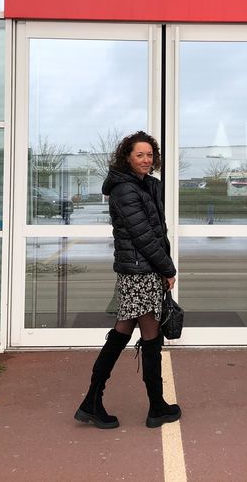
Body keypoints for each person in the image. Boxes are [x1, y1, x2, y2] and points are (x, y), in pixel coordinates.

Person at [74, 131, 181, 429]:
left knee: (125, 331)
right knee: (149, 335)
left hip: (141, 270)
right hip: (140, 272)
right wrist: (167, 268)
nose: (146, 160)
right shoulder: (125, 190)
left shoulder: (143, 186)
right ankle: (155, 407)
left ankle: (92, 401)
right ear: (127, 157)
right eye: (140, 155)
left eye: (149, 155)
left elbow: (155, 231)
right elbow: (143, 236)